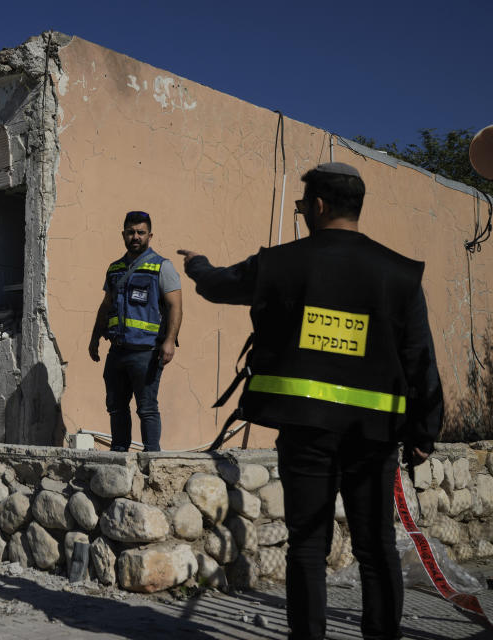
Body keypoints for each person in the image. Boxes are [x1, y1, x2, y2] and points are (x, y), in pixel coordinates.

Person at [178, 162, 443, 640]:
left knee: (307, 547)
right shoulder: (398, 274)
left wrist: (197, 264)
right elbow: (420, 356)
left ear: (318, 206)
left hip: (304, 431)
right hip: (373, 435)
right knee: (376, 548)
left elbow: (218, 286)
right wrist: (424, 432)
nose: (302, 213)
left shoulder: (278, 264)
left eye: (303, 206)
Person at [88, 210, 183, 452]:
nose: (135, 237)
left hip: (147, 352)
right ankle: (119, 453)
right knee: (116, 405)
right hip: (118, 350)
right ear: (123, 234)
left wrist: (169, 341)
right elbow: (106, 305)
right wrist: (94, 337)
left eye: (141, 232)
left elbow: (175, 307)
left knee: (147, 407)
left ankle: (152, 456)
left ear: (150, 235)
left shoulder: (162, 267)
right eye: (131, 232)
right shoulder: (115, 268)